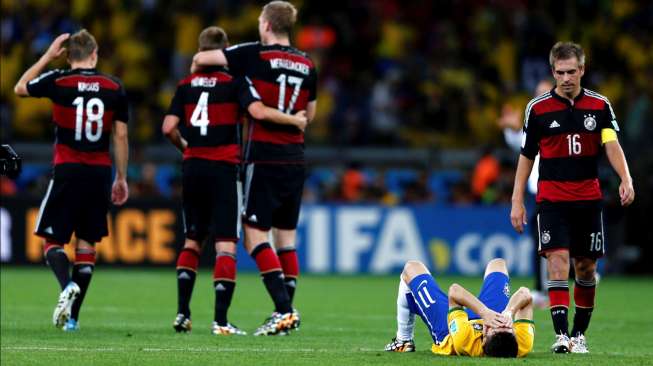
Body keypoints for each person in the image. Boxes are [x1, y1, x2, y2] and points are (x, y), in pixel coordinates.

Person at [162, 26, 307, 336]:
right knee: (226, 244)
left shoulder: (185, 85)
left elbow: (167, 127)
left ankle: (182, 314)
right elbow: (256, 111)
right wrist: (295, 120)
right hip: (225, 169)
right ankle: (221, 321)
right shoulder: (235, 83)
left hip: (192, 167)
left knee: (191, 241)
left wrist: (186, 147)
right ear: (224, 50)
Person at [510, 41, 635, 354]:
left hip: (588, 199)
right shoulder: (536, 109)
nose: (566, 78)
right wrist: (516, 200)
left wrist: (626, 177)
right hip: (551, 200)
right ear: (553, 72)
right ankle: (561, 335)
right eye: (560, 72)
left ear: (582, 70)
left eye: (572, 72)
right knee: (557, 262)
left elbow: (611, 145)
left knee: (585, 268)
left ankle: (580, 333)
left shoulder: (600, 106)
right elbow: (526, 156)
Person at [14, 30, 130, 331]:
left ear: (68, 56)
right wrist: (121, 177)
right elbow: (120, 135)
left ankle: (66, 286)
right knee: (87, 244)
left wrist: (46, 57)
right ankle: (73, 319)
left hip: (68, 170)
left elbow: (19, 88)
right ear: (95, 53)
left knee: (52, 240)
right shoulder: (114, 87)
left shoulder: (59, 80)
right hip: (99, 173)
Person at [385, 259, 534, 358]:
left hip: (449, 331)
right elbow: (525, 294)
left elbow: (455, 292)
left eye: (494, 327)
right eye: (507, 326)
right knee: (498, 264)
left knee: (411, 268)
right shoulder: (522, 343)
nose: (500, 323)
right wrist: (509, 312)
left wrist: (484, 312)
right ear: (514, 333)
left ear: (483, 340)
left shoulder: (464, 340)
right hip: (492, 312)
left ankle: (403, 340)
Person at [499, 79, 554, 308]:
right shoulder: (535, 121)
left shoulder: (559, 119)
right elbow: (525, 145)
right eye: (537, 93)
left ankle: (546, 288)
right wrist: (513, 129)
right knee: (544, 240)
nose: (540, 97)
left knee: (548, 240)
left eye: (544, 93)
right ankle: (546, 287)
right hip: (540, 193)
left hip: (558, 188)